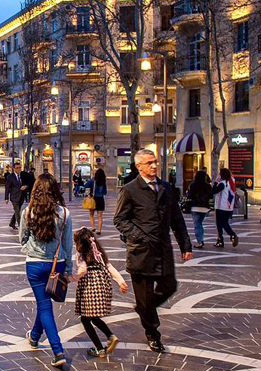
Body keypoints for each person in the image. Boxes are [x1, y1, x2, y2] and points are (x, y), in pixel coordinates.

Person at [113, 149, 192, 353]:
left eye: (155, 162)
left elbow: (177, 219)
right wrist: (139, 235)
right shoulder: (130, 189)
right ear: (139, 166)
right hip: (141, 252)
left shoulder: (166, 188)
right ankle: (153, 335)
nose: (154, 166)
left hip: (163, 249)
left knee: (169, 285)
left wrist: (185, 244)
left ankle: (144, 309)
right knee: (145, 297)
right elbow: (120, 220)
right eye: (149, 163)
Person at [19, 173, 72, 367]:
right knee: (45, 305)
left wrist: (30, 249)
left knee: (44, 305)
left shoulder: (28, 212)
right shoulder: (64, 213)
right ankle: (35, 337)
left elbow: (22, 238)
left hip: (34, 264)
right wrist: (68, 268)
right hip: (56, 263)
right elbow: (67, 244)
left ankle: (57, 351)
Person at [70, 227, 127, 358]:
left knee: (86, 318)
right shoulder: (98, 253)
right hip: (102, 286)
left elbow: (82, 270)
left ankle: (101, 347)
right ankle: (109, 338)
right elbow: (109, 266)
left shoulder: (81, 253)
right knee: (93, 317)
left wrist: (69, 279)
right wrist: (120, 281)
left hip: (89, 287)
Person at [213, 168, 238, 248]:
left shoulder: (223, 183)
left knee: (219, 224)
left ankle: (220, 240)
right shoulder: (232, 182)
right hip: (229, 207)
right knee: (225, 223)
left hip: (220, 207)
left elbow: (214, 191)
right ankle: (232, 235)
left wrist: (215, 182)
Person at [188, 170, 212, 248]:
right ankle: (201, 239)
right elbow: (211, 196)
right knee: (200, 223)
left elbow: (190, 196)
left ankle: (200, 241)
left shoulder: (193, 185)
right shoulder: (208, 185)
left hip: (195, 207)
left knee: (197, 224)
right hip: (205, 207)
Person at [84, 168, 108, 235]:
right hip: (101, 199)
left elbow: (85, 186)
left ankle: (93, 227)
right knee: (100, 216)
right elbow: (105, 192)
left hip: (93, 199)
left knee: (91, 214)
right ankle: (99, 230)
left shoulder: (92, 181)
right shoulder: (103, 182)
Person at [5, 162, 26, 229]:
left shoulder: (23, 175)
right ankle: (21, 226)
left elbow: (28, 183)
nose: (19, 169)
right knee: (17, 211)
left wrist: (26, 186)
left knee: (17, 210)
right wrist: (6, 198)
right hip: (14, 197)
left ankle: (12, 223)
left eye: (20, 167)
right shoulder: (10, 177)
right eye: (17, 168)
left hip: (21, 196)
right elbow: (7, 188)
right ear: (14, 168)